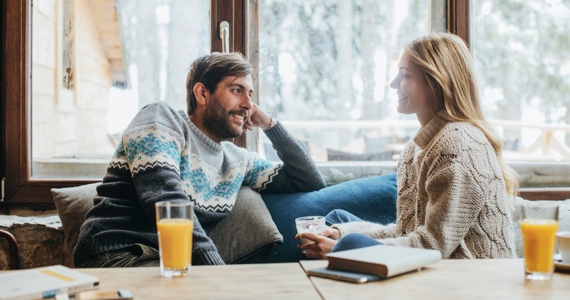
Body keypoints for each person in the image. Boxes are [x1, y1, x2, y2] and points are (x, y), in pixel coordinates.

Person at [73, 52, 327, 267]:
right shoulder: (161, 119)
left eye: (250, 94)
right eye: (237, 90)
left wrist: (270, 124)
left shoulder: (237, 160)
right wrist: (215, 271)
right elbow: (164, 197)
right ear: (202, 93)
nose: (248, 104)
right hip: (119, 252)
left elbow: (310, 181)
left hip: (174, 262)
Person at [298, 32, 519, 260]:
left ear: (436, 82)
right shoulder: (417, 148)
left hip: (476, 282)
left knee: (349, 243)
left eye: (404, 75)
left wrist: (344, 249)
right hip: (438, 273)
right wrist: (340, 235)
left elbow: (432, 245)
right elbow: (407, 232)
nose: (394, 84)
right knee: (339, 224)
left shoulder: (458, 145)